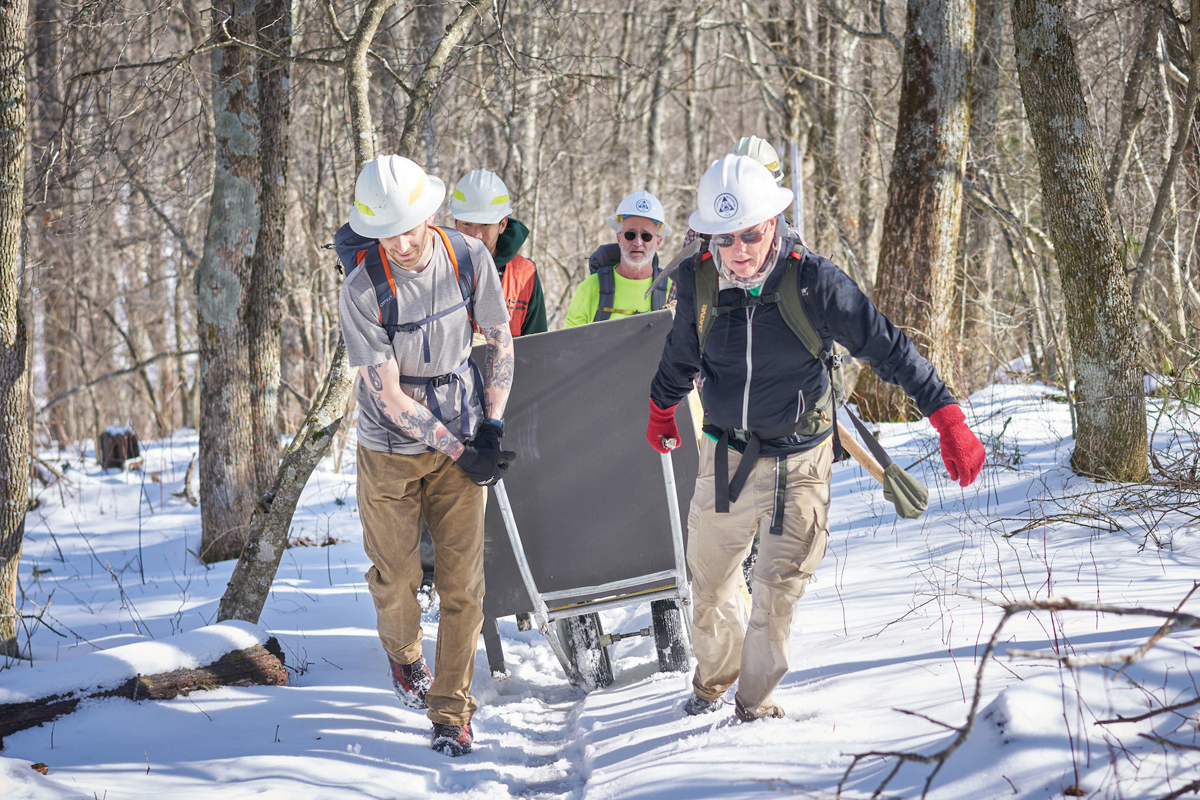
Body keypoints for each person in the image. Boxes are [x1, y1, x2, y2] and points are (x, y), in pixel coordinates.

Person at [644, 155, 985, 722]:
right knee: (710, 589)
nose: (740, 251)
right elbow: (681, 354)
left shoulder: (815, 281)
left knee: (777, 592)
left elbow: (886, 346)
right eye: (725, 239)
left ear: (773, 223)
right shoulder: (697, 280)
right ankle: (713, 681)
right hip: (724, 456)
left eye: (750, 235)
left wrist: (945, 413)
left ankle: (751, 706)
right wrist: (661, 407)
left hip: (801, 463)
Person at [335, 154, 516, 756]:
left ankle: (450, 713)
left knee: (464, 584)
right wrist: (460, 449)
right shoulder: (362, 289)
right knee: (399, 579)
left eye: (411, 226)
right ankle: (405, 654)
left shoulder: (469, 258)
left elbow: (497, 340)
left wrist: (490, 428)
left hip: (463, 426)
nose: (404, 243)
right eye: (388, 233)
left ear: (432, 212)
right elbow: (388, 396)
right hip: (390, 449)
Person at [448, 169, 548, 336]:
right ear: (455, 222)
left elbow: (538, 349)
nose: (475, 235)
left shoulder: (525, 276)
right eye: (467, 224)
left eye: (485, 225)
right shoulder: (435, 267)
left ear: (502, 225)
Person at [564, 191, 673, 327]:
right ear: (619, 238)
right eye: (630, 235)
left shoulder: (673, 292)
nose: (637, 243)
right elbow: (569, 345)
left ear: (658, 242)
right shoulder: (589, 289)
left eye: (646, 236)